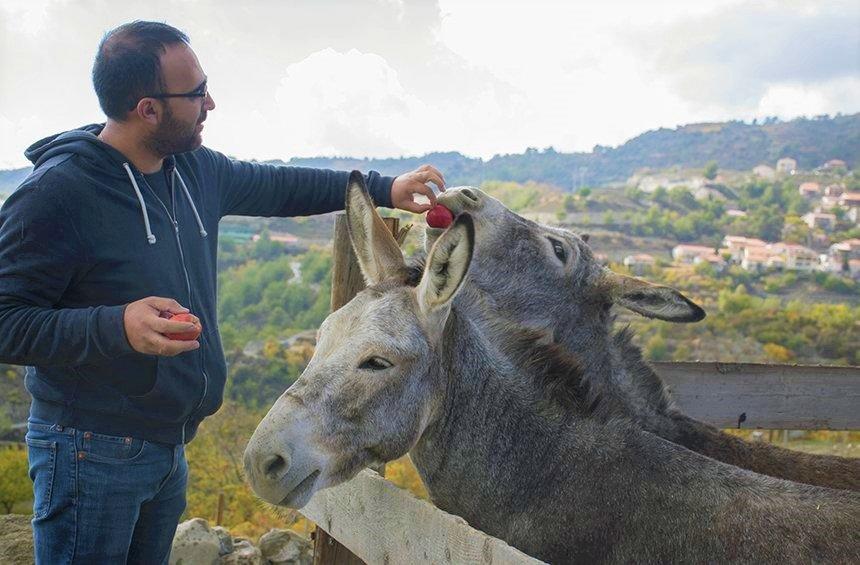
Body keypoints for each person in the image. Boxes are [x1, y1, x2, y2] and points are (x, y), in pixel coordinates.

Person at [0, 20, 444, 564]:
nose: (211, 101)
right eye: (195, 93)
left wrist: (384, 188)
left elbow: (281, 186)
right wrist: (116, 326)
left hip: (168, 445)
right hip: (89, 452)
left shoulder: (192, 168)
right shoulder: (56, 194)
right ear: (148, 109)